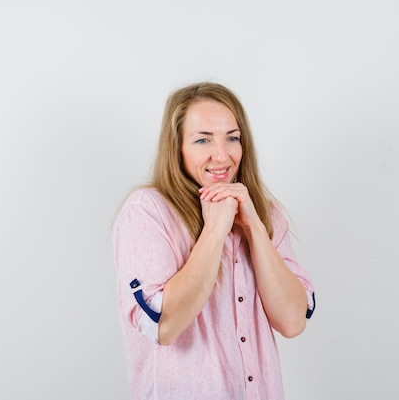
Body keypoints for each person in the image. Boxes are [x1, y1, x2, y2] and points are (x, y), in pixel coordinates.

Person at [113, 82, 315, 400]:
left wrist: (254, 228)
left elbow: (293, 322)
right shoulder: (147, 211)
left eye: (232, 138)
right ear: (177, 147)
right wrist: (214, 230)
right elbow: (164, 325)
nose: (221, 155)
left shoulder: (266, 214)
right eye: (202, 139)